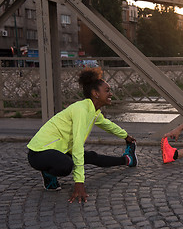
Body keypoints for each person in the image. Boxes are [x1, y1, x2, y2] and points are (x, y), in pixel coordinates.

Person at [27, 67, 137, 203]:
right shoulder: (81, 110)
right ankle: (48, 173)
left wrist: (125, 136)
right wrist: (79, 183)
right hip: (39, 153)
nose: (111, 94)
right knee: (66, 165)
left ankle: (127, 159)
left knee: (91, 156)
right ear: (95, 93)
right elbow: (78, 145)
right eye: (107, 90)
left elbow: (107, 125)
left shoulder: (93, 111)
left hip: (58, 150)